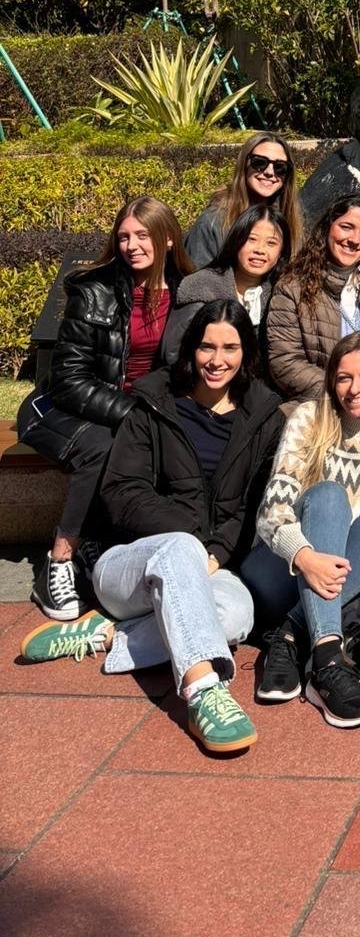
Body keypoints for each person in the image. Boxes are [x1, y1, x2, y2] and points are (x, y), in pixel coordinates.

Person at [20, 301, 284, 756]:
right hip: (127, 566)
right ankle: (205, 691)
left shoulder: (265, 418)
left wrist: (216, 553)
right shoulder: (154, 404)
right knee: (180, 548)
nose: (216, 359)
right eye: (206, 346)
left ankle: (104, 634)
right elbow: (121, 493)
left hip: (210, 562)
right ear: (190, 349)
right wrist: (191, 540)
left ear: (247, 354)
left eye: (230, 347)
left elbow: (251, 505)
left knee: (238, 616)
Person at [17, 196, 193, 622]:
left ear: (167, 239)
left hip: (131, 407)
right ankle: (60, 560)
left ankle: (109, 550)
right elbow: (68, 379)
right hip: (60, 408)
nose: (131, 245)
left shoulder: (187, 291)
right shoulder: (93, 291)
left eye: (142, 235)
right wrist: (132, 415)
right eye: (124, 236)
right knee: (102, 445)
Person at [247, 331, 360, 726]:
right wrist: (306, 558)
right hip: (282, 568)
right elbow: (272, 510)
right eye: (343, 377)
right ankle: (327, 656)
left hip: (344, 579)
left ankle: (293, 632)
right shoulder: (309, 418)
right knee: (327, 496)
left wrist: (327, 566)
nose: (355, 389)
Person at [266, 195, 360, 410]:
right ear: (328, 227)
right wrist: (342, 390)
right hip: (321, 401)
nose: (354, 239)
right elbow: (285, 360)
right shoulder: (292, 287)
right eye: (346, 227)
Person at [163, 205, 290, 367]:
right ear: (236, 241)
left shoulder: (283, 294)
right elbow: (174, 353)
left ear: (281, 252)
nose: (260, 250)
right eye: (251, 239)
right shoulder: (201, 286)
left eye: (271, 243)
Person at [185, 133, 303, 269]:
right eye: (259, 162)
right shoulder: (213, 222)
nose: (270, 172)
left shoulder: (291, 222)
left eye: (279, 167)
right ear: (244, 165)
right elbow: (196, 282)